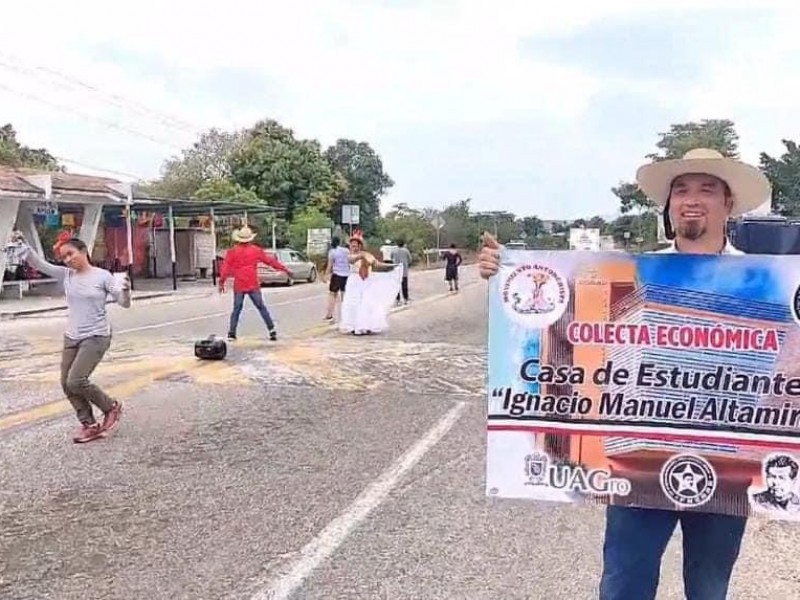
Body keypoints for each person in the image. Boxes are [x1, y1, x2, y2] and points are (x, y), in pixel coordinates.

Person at [478, 147, 772, 600]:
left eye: (707, 189)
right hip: (637, 463)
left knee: (710, 588)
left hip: (725, 468)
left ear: (728, 204)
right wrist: (508, 272)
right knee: (623, 585)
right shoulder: (637, 272)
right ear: (669, 206)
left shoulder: (766, 279)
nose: (691, 200)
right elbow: (565, 309)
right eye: (681, 190)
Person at [13, 232, 130, 443]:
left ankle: (111, 407)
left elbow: (123, 302)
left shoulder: (102, 276)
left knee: (76, 380)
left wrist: (126, 291)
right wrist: (24, 243)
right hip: (72, 336)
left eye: (71, 254)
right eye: (64, 257)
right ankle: (89, 424)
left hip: (96, 335)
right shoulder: (67, 275)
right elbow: (39, 263)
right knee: (66, 384)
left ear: (84, 251)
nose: (68, 259)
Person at [219, 225, 292, 342]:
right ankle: (271, 330)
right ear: (250, 239)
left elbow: (225, 269)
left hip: (240, 284)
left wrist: (221, 282)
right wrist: (285, 269)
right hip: (253, 283)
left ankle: (232, 333)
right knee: (261, 307)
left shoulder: (232, 252)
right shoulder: (256, 250)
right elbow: (270, 261)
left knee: (237, 309)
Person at [339, 230, 402, 336]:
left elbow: (376, 264)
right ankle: (353, 325)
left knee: (366, 303)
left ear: (360, 246)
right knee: (353, 303)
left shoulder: (367, 255)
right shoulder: (351, 256)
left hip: (366, 282)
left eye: (356, 245)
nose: (353, 247)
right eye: (352, 245)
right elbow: (352, 260)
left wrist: (393, 266)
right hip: (354, 281)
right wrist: (362, 256)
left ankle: (365, 325)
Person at [322, 236, 350, 321]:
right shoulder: (346, 251)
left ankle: (329, 314)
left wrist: (326, 275)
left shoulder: (332, 252)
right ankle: (347, 314)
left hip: (337, 274)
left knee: (332, 294)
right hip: (346, 275)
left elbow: (330, 265)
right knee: (344, 295)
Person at [391, 240, 412, 305]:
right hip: (404, 270)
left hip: (396, 270)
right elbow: (410, 259)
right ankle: (405, 299)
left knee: (397, 285)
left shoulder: (394, 251)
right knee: (404, 285)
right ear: (403, 244)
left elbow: (391, 257)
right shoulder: (406, 250)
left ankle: (397, 300)